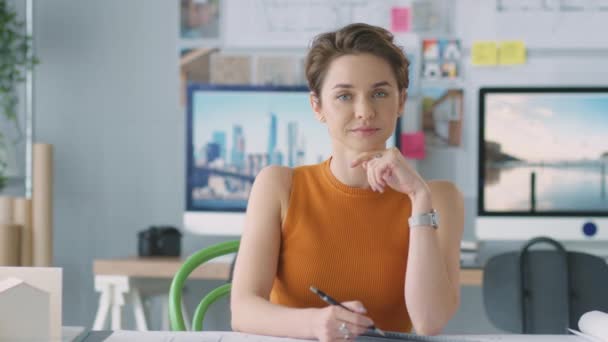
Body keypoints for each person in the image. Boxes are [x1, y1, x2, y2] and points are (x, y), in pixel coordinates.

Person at [230, 23, 464, 341]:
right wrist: (315, 325)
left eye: (380, 93)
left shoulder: (439, 197)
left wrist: (418, 199)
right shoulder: (278, 186)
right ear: (318, 107)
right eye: (344, 96)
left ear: (400, 102)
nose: (365, 111)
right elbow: (242, 310)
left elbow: (429, 321)